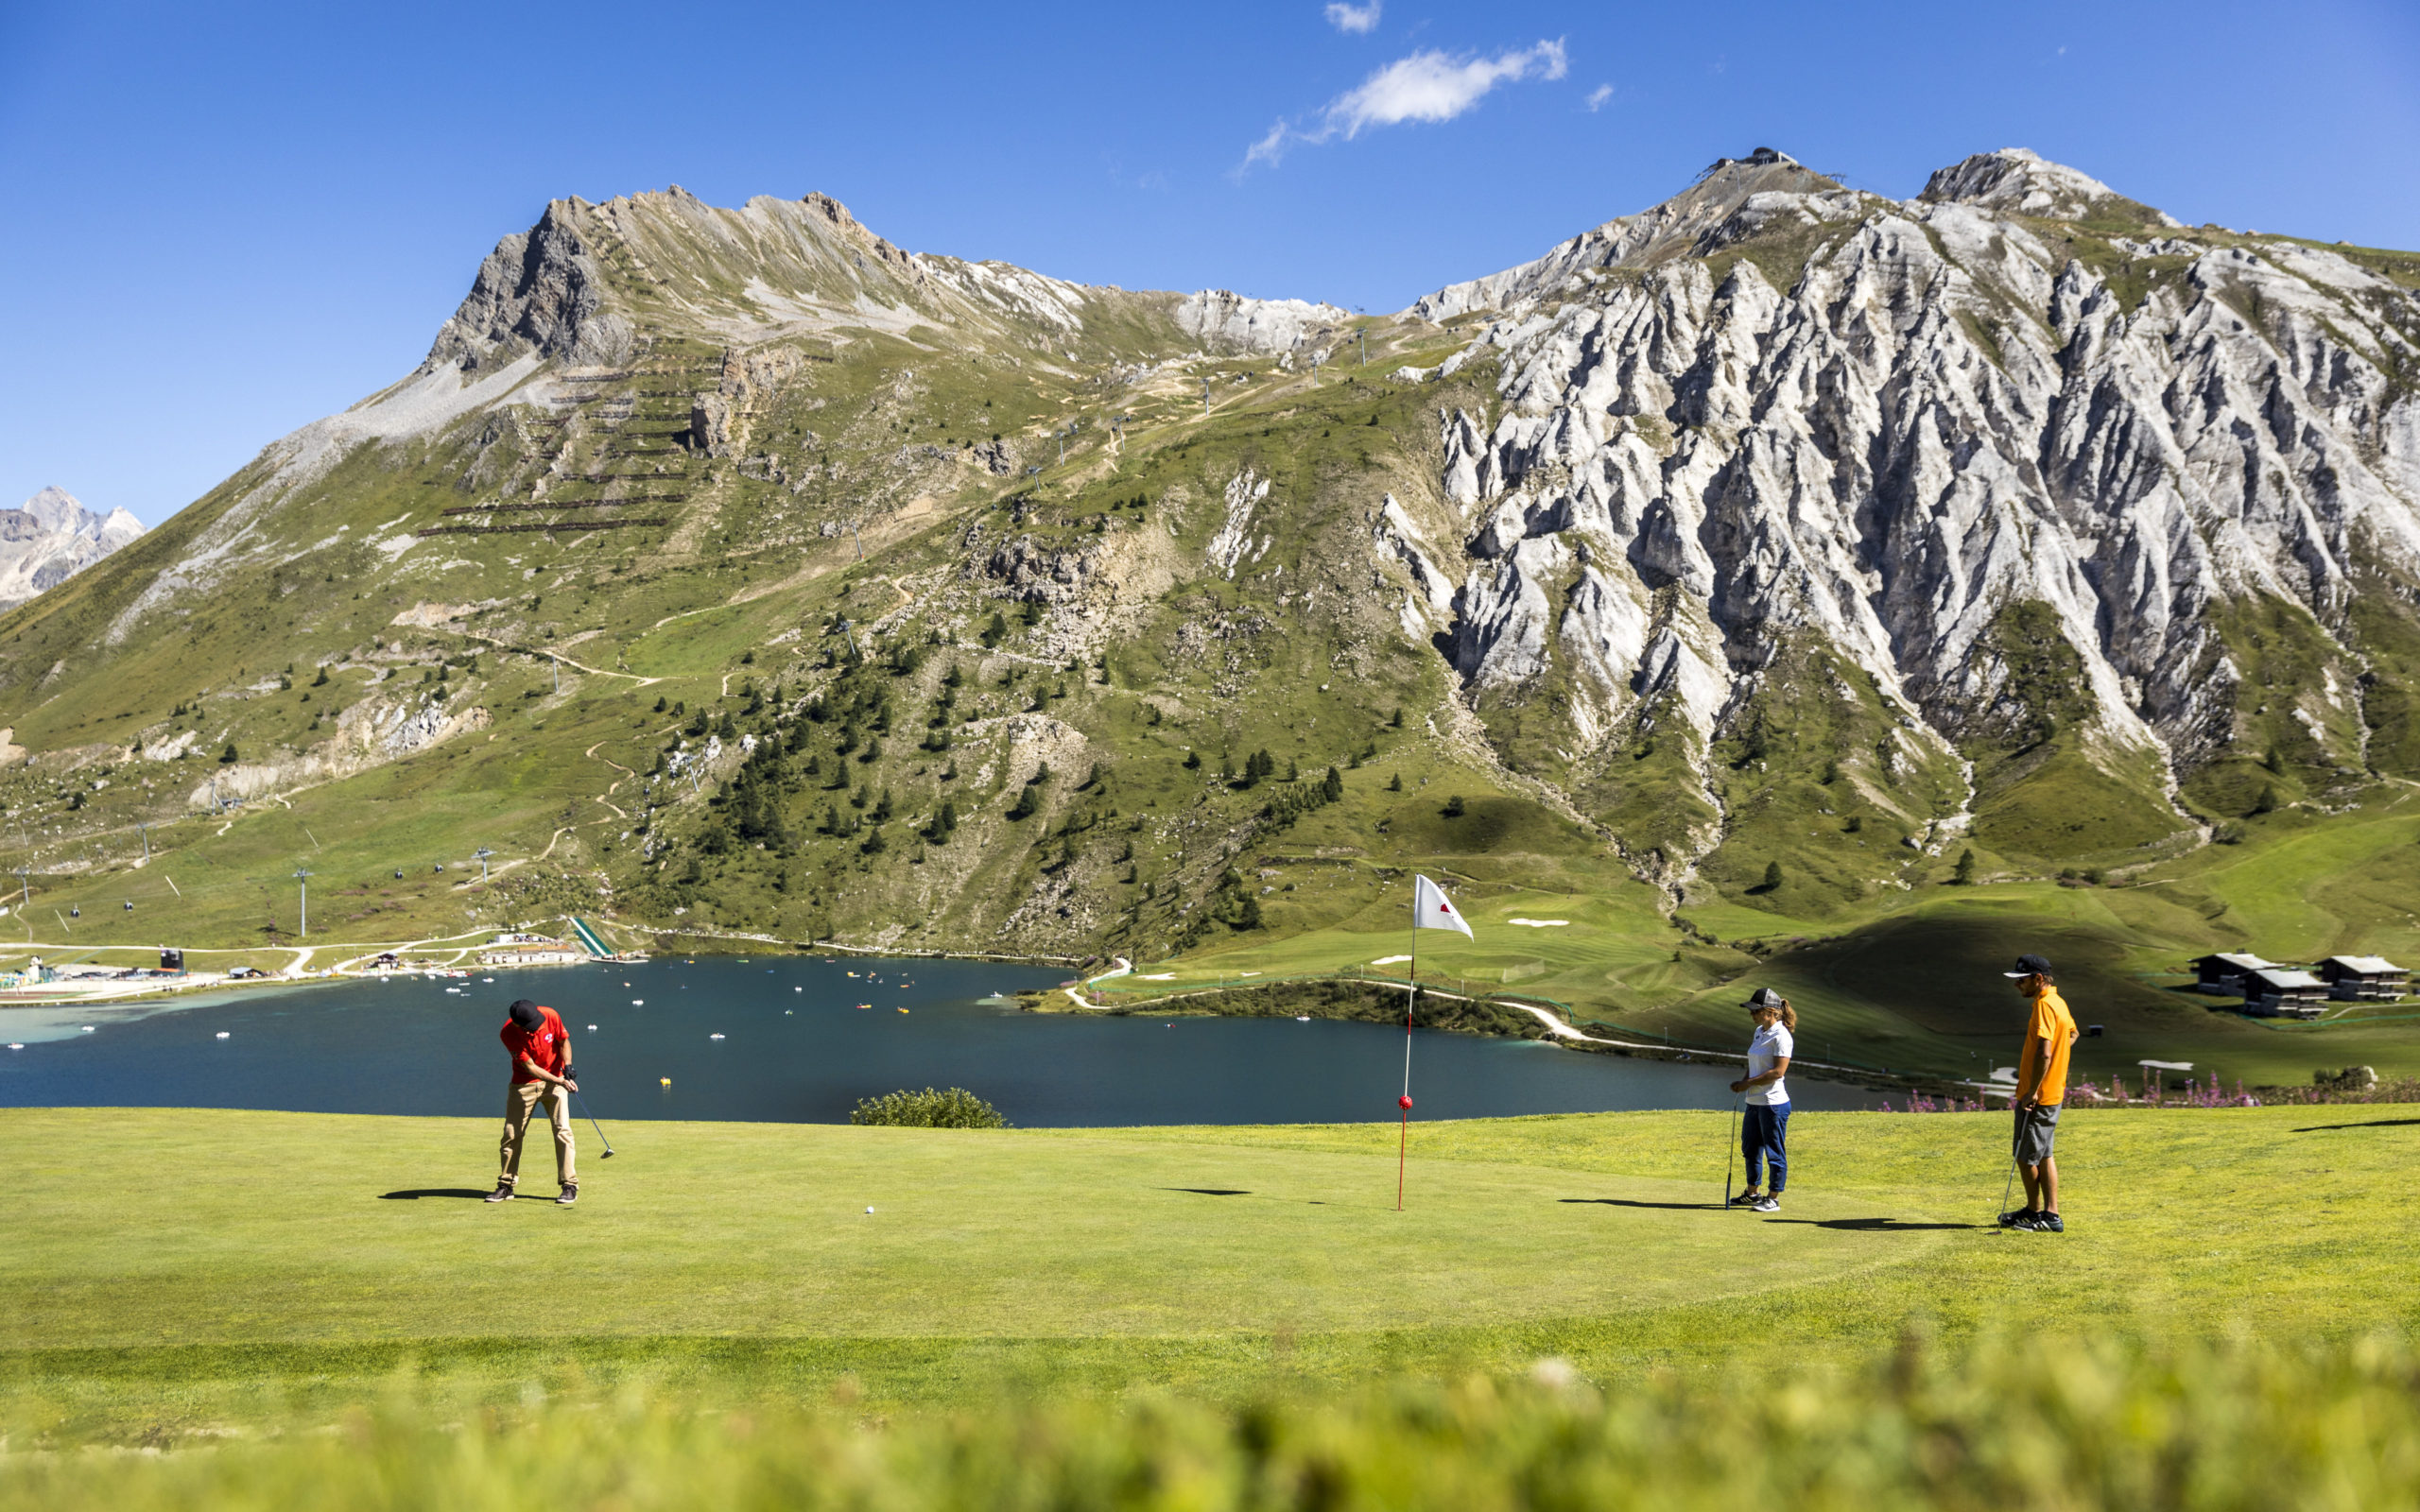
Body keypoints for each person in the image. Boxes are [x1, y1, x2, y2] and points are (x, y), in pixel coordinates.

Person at [2000, 954, 2078, 1233]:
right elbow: (2072, 1034)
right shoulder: (2059, 1002)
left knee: (2024, 1157)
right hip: (2051, 1092)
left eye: (2021, 980)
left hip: (2039, 1097)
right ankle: (2048, 1213)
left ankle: (2037, 1214)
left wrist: (2032, 1091)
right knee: (2045, 1155)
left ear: (2038, 979)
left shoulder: (2045, 1006)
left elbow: (2044, 1053)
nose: (2017, 985)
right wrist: (2059, 1062)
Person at [487, 998, 578, 1205]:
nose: (533, 1030)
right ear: (517, 1024)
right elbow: (530, 1067)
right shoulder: (508, 1033)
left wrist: (568, 1066)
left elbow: (564, 1041)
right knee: (512, 1135)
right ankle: (506, 1185)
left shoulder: (550, 1015)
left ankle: (569, 1185)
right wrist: (560, 1081)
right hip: (524, 1084)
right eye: (528, 1027)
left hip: (556, 1082)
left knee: (563, 1131)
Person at [1728, 987, 1795, 1213]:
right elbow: (1755, 1064)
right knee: (1750, 1148)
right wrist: (1744, 1081)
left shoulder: (1781, 1036)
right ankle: (1752, 1194)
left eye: (1755, 1011)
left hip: (1773, 1104)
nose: (1752, 1014)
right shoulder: (1759, 1031)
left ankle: (1773, 1198)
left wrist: (1749, 1083)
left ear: (1769, 1011)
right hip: (1754, 1102)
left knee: (1774, 1152)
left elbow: (1778, 1072)